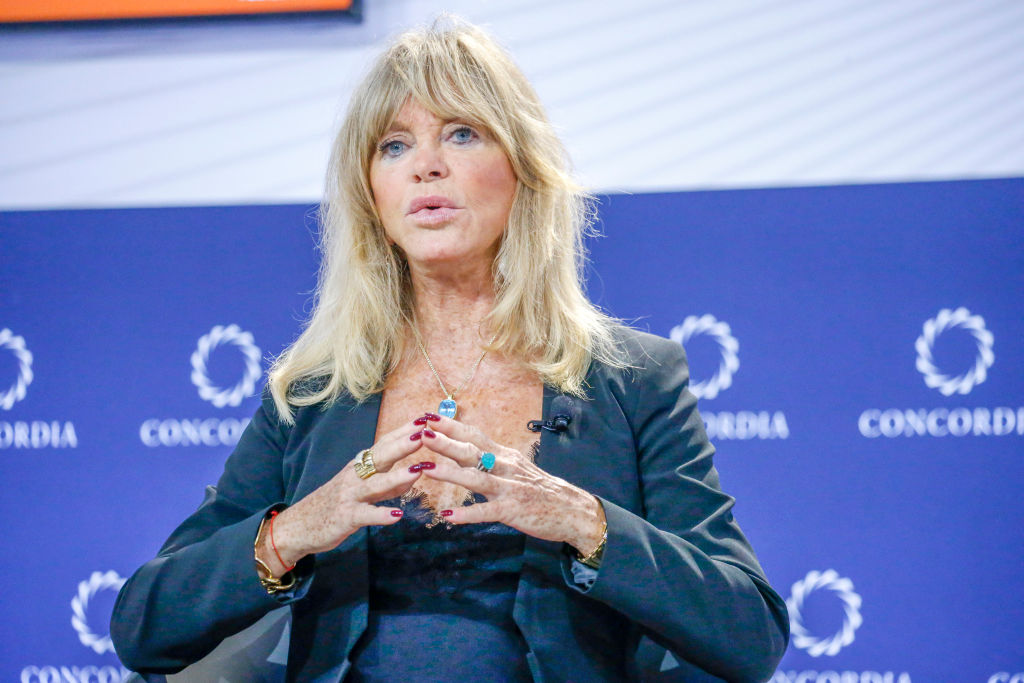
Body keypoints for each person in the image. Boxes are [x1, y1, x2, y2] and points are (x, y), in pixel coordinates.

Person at [111, 17, 789, 683]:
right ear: (370, 192)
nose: (426, 166)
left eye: (461, 134)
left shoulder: (633, 378)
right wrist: (297, 528)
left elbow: (750, 632)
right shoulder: (316, 391)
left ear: (522, 168)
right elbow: (144, 624)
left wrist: (583, 520)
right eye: (394, 145)